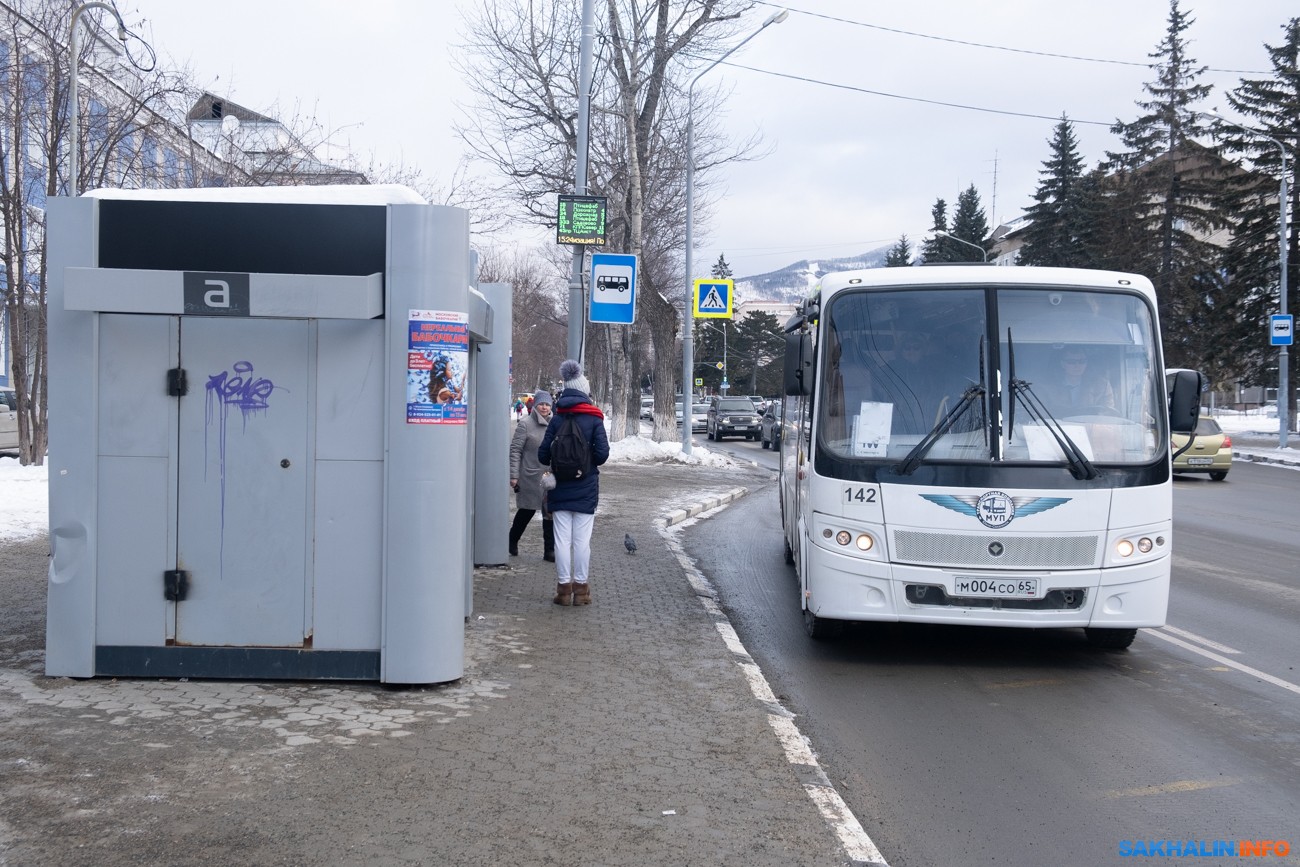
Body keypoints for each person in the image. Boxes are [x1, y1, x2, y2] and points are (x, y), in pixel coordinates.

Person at [538, 359, 609, 607]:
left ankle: (562, 591)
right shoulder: (594, 419)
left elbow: (542, 455)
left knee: (561, 542)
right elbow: (602, 455)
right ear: (584, 392)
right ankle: (581, 591)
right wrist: (585, 462)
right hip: (586, 487)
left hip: (559, 488)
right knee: (581, 543)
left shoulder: (557, 419)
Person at [508, 390, 555, 561]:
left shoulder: (555, 423)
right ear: (535, 405)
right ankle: (511, 541)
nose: (544, 407)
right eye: (541, 404)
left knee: (549, 514)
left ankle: (549, 551)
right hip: (529, 476)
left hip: (549, 476)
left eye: (547, 404)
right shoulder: (525, 424)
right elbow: (515, 450)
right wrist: (514, 475)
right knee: (526, 512)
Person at [1047, 348, 1115, 412]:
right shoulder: (1048, 387)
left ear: (1086, 363)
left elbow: (1107, 413)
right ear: (1062, 364)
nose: (1077, 365)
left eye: (1082, 361)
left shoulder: (1102, 386)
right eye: (1071, 362)